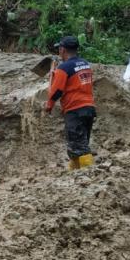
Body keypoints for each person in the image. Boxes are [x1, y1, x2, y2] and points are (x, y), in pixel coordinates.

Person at [45, 36, 96, 169]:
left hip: (75, 109)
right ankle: (74, 172)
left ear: (62, 50)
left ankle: (90, 174)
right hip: (89, 108)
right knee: (78, 144)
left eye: (59, 49)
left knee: (79, 145)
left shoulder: (64, 68)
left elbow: (57, 91)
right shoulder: (85, 64)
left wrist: (49, 105)